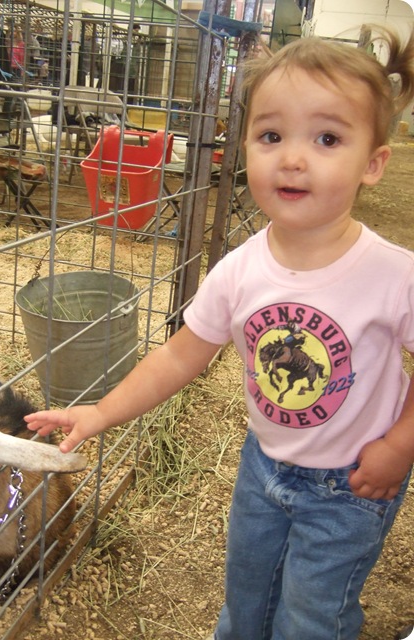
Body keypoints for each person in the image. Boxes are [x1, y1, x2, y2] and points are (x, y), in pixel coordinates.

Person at [25, 26, 414, 640]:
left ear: (373, 164)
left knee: (312, 616)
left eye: (327, 138)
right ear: (244, 146)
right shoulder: (238, 270)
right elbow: (181, 355)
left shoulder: (394, 275)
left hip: (351, 486)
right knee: (244, 598)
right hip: (263, 469)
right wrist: (100, 411)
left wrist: (401, 444)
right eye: (271, 136)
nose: (292, 158)